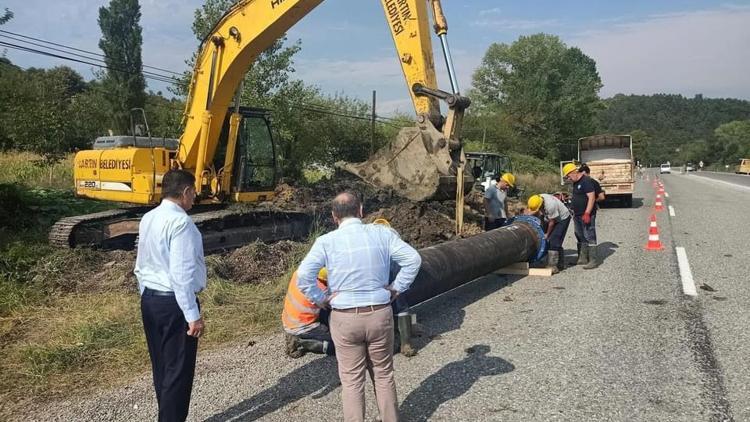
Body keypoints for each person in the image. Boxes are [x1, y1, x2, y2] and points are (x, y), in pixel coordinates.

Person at [296, 191, 421, 422]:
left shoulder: (325, 242)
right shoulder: (382, 234)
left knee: (352, 381)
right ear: (361, 210)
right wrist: (396, 288)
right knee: (383, 375)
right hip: (379, 313)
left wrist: (321, 298)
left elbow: (303, 275)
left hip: (344, 318)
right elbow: (413, 259)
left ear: (334, 217)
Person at [135, 169, 207, 422]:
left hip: (151, 300)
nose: (195, 198)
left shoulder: (148, 217)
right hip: (173, 304)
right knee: (178, 372)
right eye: (194, 192)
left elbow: (140, 264)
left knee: (162, 367)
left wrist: (144, 292)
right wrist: (192, 315)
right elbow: (181, 274)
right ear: (186, 191)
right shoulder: (181, 223)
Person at [282, 268, 335, 358]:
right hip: (304, 326)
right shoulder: (320, 289)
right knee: (342, 343)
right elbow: (337, 306)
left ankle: (296, 336)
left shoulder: (299, 273)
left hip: (290, 320)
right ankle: (304, 342)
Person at [562, 163, 600, 270]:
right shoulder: (575, 183)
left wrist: (587, 212)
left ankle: (593, 260)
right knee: (579, 234)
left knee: (589, 235)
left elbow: (591, 197)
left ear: (573, 172)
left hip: (586, 214)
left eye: (568, 176)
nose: (568, 178)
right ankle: (582, 258)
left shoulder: (586, 181)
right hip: (577, 214)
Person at [527, 193, 572, 274]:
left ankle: (553, 266)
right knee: (548, 239)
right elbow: (535, 212)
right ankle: (560, 263)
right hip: (549, 217)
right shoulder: (537, 199)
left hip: (562, 219)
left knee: (554, 239)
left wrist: (547, 234)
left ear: (541, 204)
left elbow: (552, 222)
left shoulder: (550, 205)